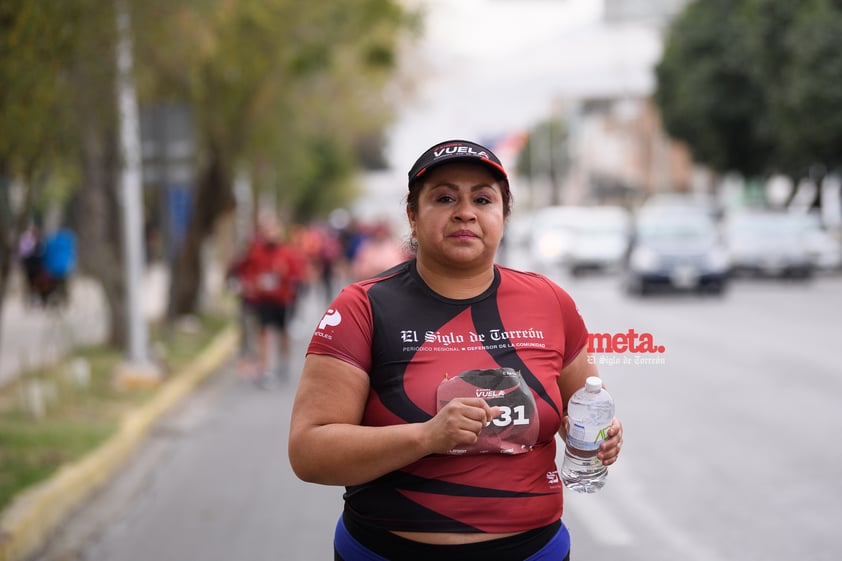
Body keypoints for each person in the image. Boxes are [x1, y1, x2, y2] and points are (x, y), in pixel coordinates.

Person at [288, 139, 623, 560]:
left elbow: (583, 409)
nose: (465, 211)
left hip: (534, 550)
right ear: (412, 215)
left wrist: (600, 438)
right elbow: (309, 451)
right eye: (444, 197)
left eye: (483, 199)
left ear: (503, 215)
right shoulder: (362, 307)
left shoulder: (550, 302)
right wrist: (426, 437)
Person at [242, 216, 305, 387]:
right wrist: (252, 284)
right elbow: (248, 271)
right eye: (267, 231)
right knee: (264, 332)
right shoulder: (256, 252)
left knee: (283, 333)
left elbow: (297, 274)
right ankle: (265, 368)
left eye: (273, 231)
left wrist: (285, 274)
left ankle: (283, 363)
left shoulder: (287, 253)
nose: (271, 234)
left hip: (282, 300)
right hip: (263, 299)